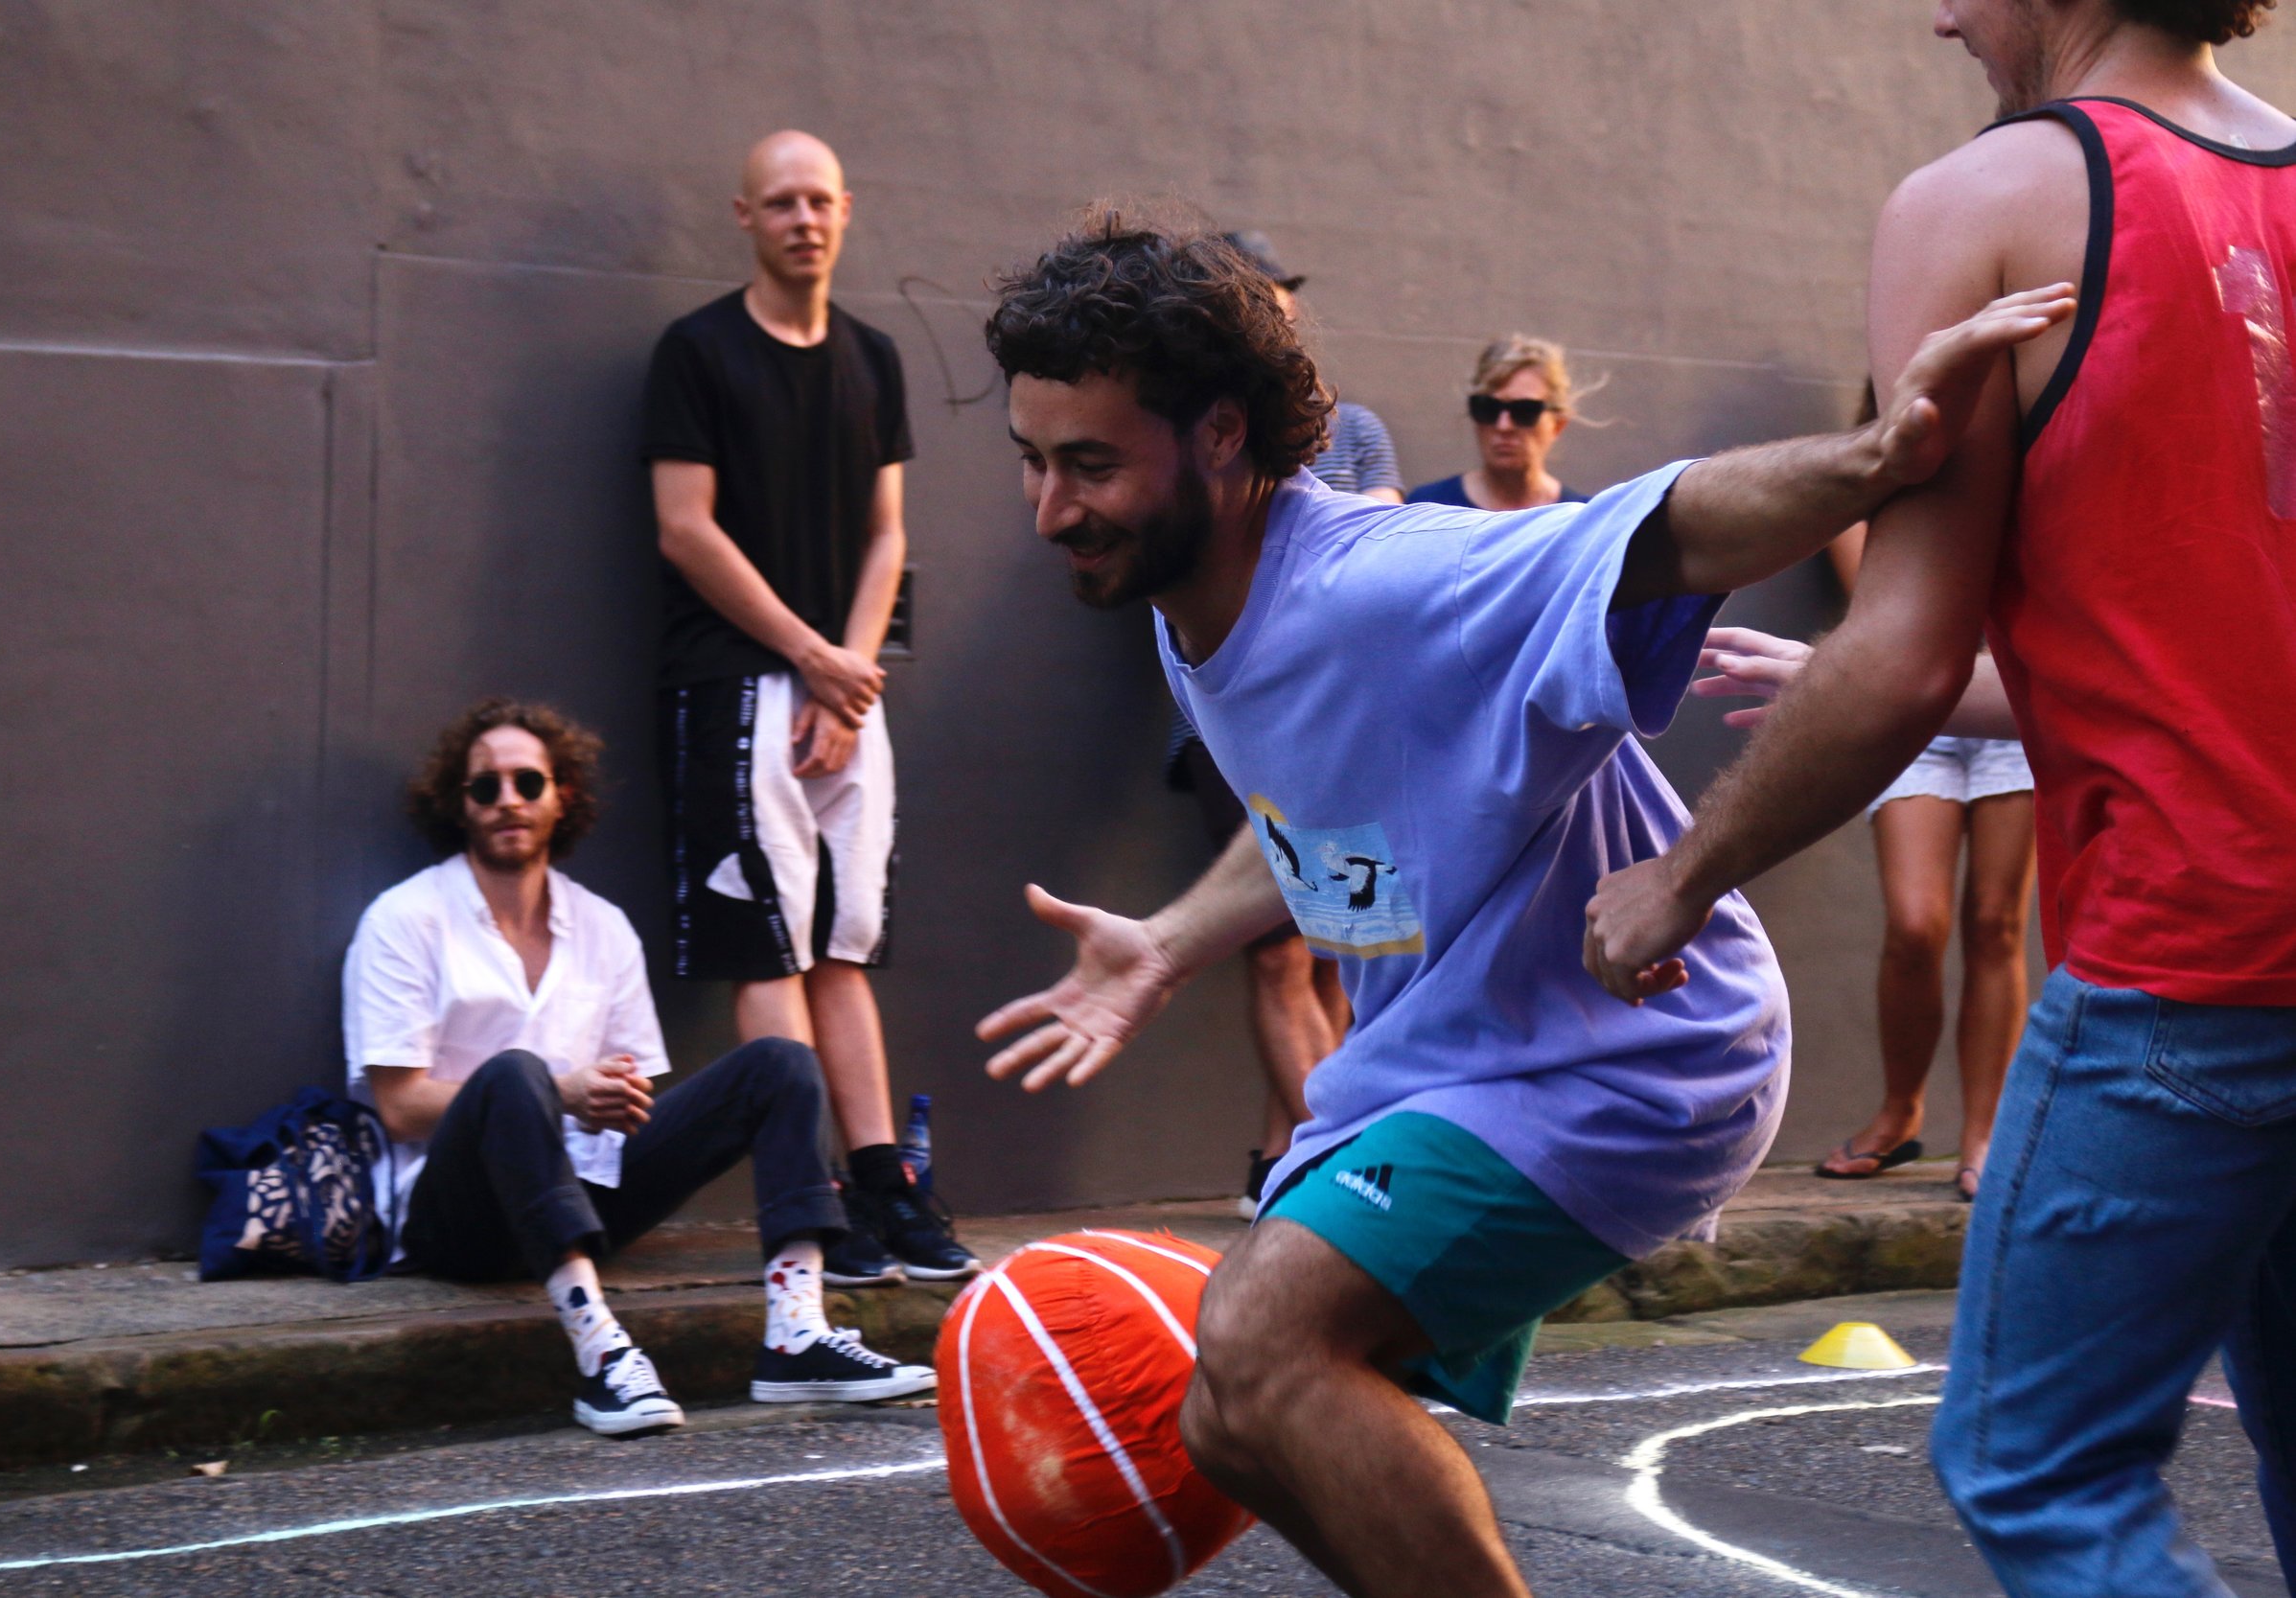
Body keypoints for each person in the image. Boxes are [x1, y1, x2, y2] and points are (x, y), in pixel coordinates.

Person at [976, 212, 2068, 1597]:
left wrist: (1871, 461)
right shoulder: (1187, 597)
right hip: (1449, 1061)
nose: (1051, 508)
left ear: (1224, 436)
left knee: (1260, 1342)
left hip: (1622, 1049)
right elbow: (1327, 805)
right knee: (1232, 1416)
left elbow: (1662, 527)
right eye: (1032, 459)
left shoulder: (1386, 577)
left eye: (1089, 465)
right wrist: (1174, 940)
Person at [1583, 3, 2296, 1590]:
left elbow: (1901, 653)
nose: (1942, 15)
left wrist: (1679, 873)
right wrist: (1827, 687)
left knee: (2037, 1469)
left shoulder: (1981, 204)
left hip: (2194, 964)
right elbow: (2192, 634)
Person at [342, 699, 934, 1435]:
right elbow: (399, 1105)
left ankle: (796, 1330)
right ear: (456, 805)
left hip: (587, 1197)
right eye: (484, 787)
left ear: (563, 796)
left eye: (528, 782)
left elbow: (638, 1088)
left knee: (781, 1063)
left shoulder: (603, 927)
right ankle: (601, 1356)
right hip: (459, 1219)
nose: (507, 801)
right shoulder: (405, 919)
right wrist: (560, 1093)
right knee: (515, 1073)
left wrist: (618, 1100)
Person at [643, 129, 976, 1285]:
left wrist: (847, 669)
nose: (804, 220)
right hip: (734, 682)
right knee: (765, 947)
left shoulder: (874, 358)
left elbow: (889, 534)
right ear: (744, 215)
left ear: (848, 207)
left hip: (841, 682)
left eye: (820, 200)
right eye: (780, 202)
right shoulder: (694, 352)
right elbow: (685, 527)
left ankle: (885, 1183)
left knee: (845, 946)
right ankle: (806, 1200)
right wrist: (807, 657)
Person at [1172, 228, 1394, 1213]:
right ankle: (1332, 1161)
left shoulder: (1357, 430)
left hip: (1347, 723)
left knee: (1352, 943)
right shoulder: (1180, 430)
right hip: (1240, 731)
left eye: (1281, 300)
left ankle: (1307, 1150)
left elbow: (1371, 555)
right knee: (1275, 947)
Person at [1807, 393, 2036, 1200]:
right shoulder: (1871, 473)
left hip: (2011, 699)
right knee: (1915, 923)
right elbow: (1889, 614)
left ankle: (1984, 1130)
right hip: (1915, 714)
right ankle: (1902, 1112)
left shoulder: (2028, 453)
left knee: (1996, 921)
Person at [1406, 336, 1592, 510]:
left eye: (1525, 411)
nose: (1504, 426)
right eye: (1487, 408)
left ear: (1558, 424)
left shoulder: (1582, 520)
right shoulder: (1428, 507)